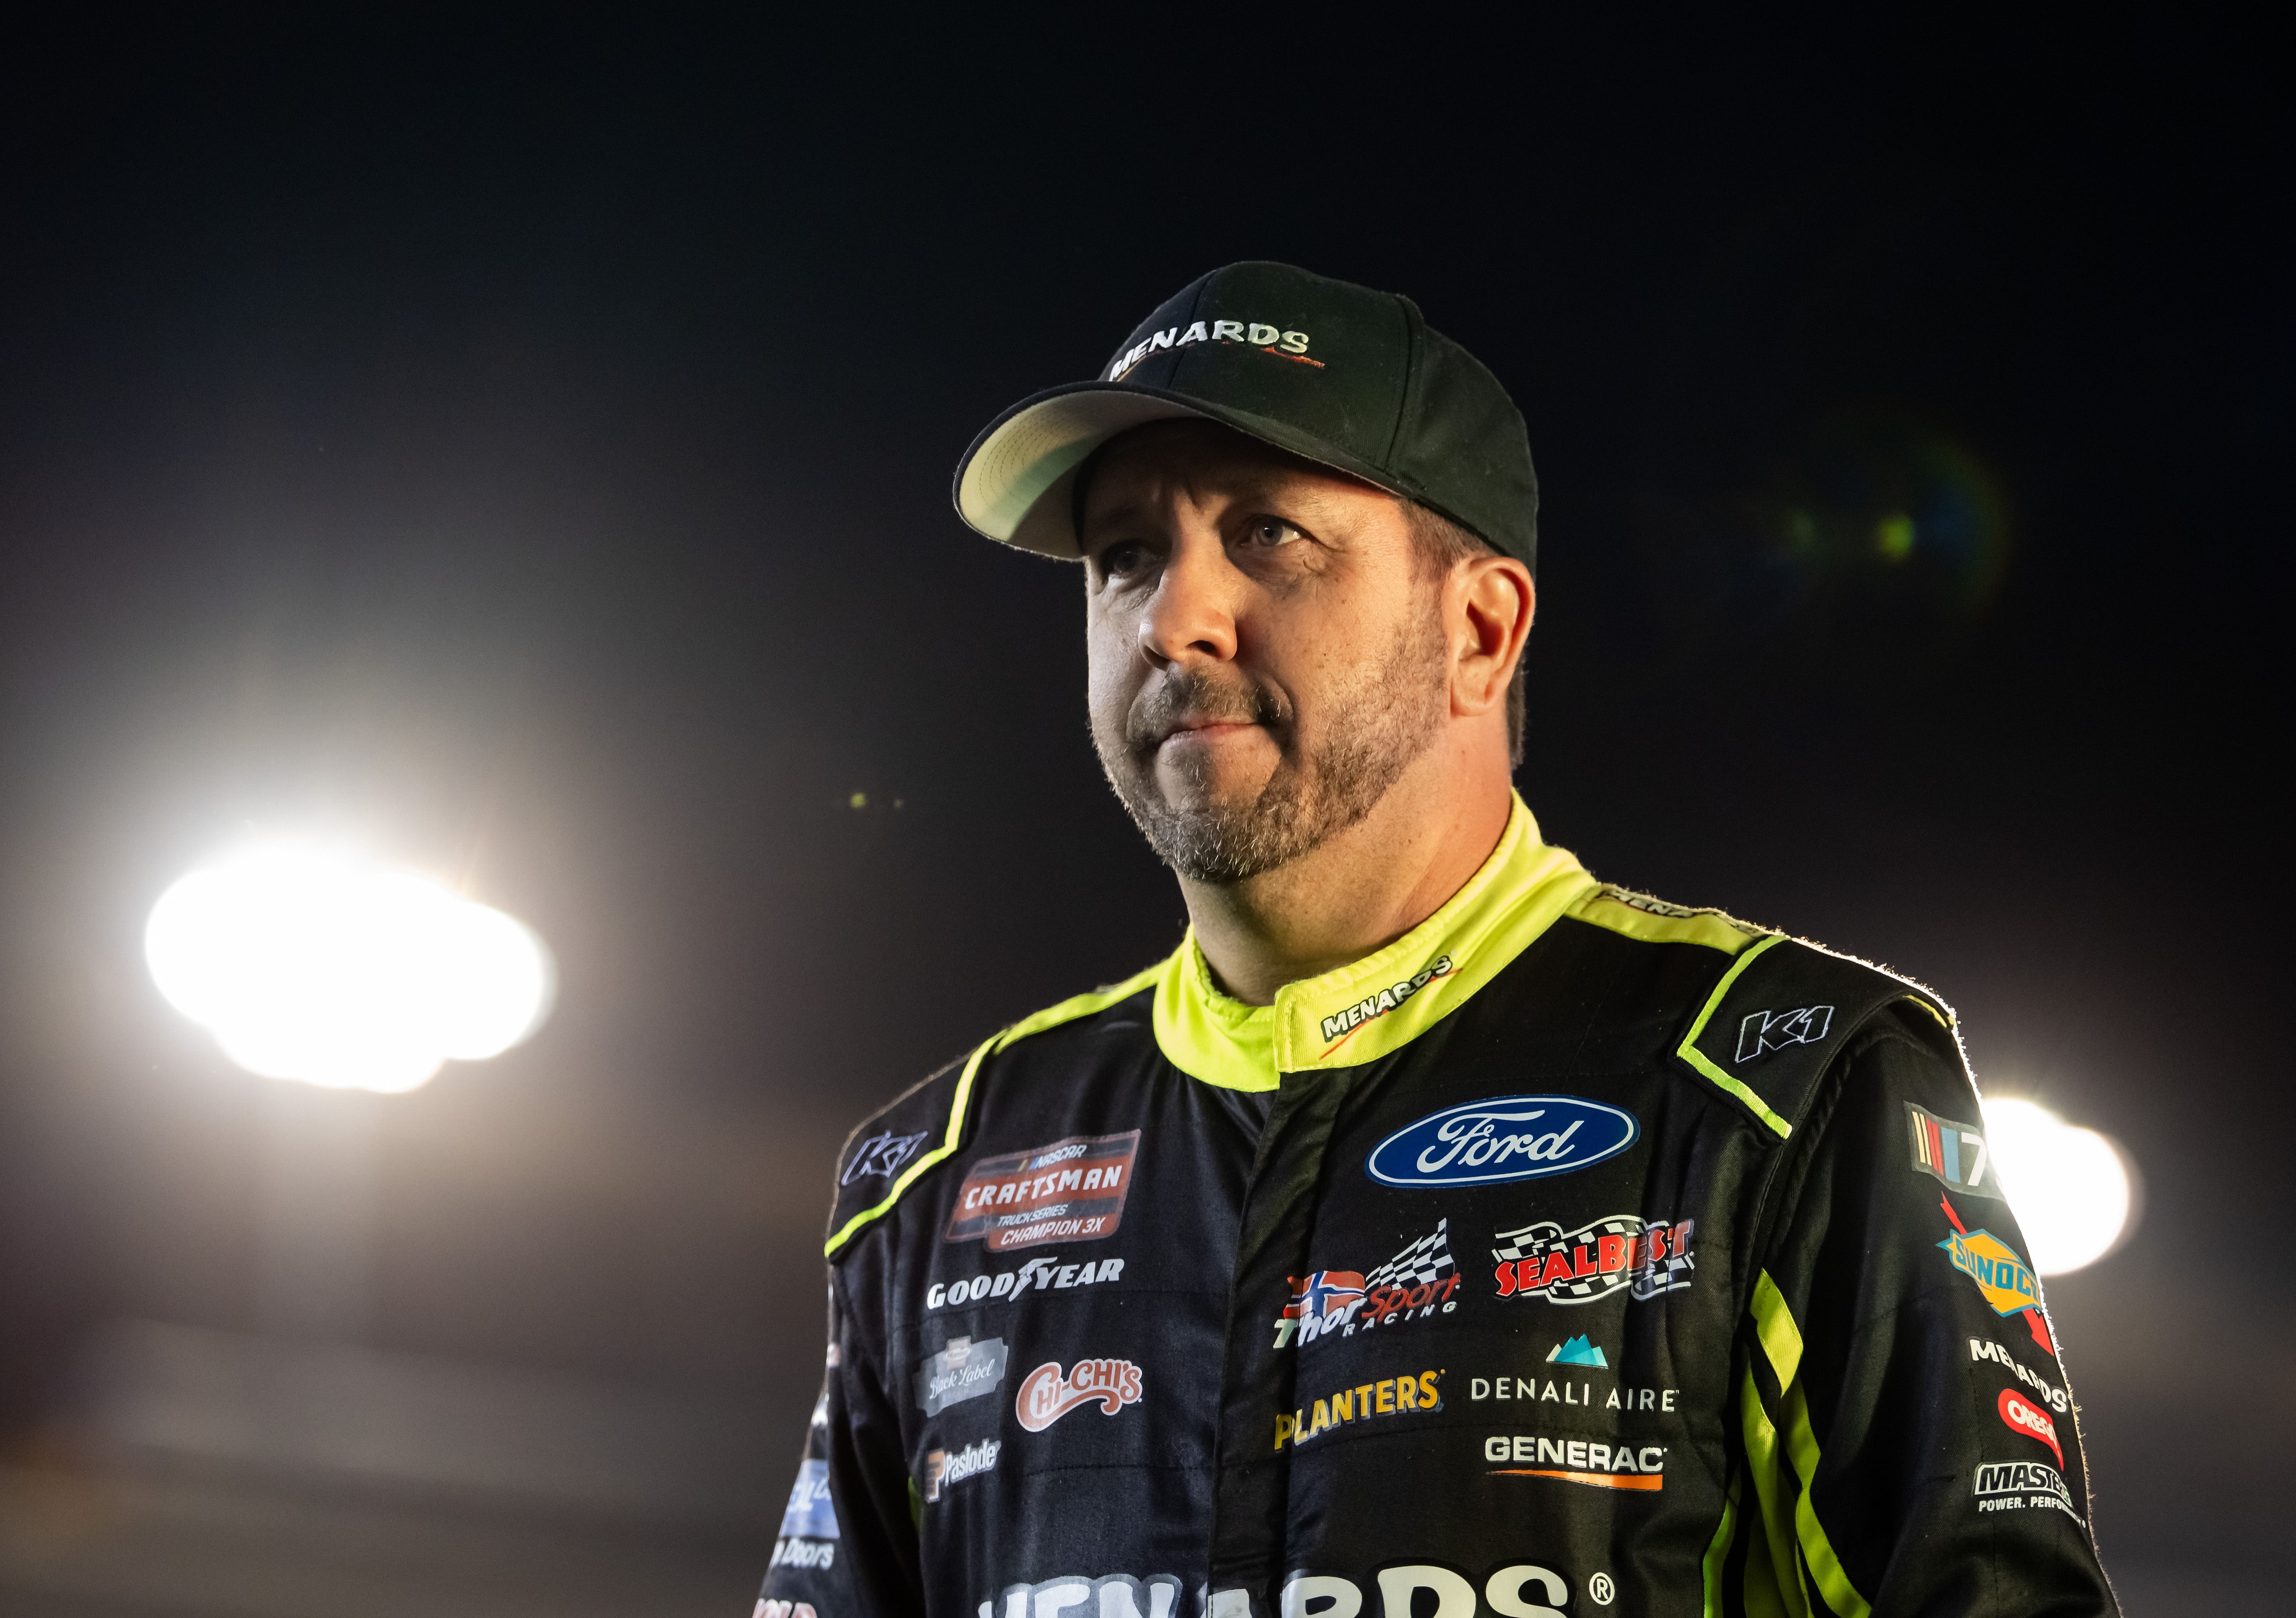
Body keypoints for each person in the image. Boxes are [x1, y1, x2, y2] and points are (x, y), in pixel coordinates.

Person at [755, 262, 2119, 1618]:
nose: (1175, 616)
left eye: (1270, 534)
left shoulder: (1790, 1086)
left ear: (1479, 629)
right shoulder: (943, 1170)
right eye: (1126, 556)